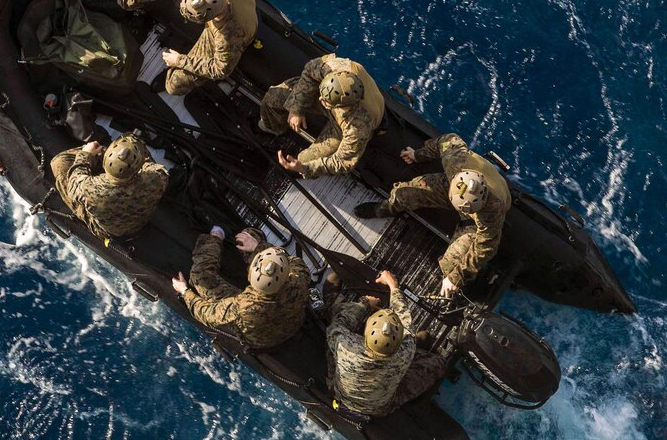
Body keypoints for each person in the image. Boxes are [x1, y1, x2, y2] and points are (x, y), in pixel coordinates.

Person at [354, 133, 512, 298]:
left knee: (449, 266)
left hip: (475, 218)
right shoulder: (455, 162)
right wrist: (417, 154)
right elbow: (447, 140)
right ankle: (385, 208)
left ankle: (470, 280)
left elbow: (486, 246)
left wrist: (455, 277)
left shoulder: (492, 211)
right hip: (454, 189)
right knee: (407, 193)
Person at [118, 0, 257, 96]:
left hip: (228, 26)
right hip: (223, 7)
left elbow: (221, 69)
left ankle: (173, 73)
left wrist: (180, 61)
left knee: (175, 85)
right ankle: (123, 5)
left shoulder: (229, 35)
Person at [325, 269, 447, 417]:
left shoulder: (344, 345)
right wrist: (393, 285)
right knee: (436, 360)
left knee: (337, 317)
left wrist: (365, 304)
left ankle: (332, 297)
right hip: (378, 408)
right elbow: (405, 321)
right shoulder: (405, 353)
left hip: (340, 393)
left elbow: (339, 323)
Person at [171, 227, 310, 349]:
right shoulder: (299, 279)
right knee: (249, 235)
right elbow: (293, 261)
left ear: (251, 276)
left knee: (200, 277)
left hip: (263, 341)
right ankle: (241, 238)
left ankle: (215, 236)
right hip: (294, 324)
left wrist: (184, 291)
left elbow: (206, 313)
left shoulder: (244, 306)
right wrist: (258, 247)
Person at [258, 54, 385, 179]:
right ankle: (274, 127)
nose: (320, 99)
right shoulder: (335, 67)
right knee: (272, 98)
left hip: (342, 125)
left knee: (305, 161)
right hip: (337, 103)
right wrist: (297, 109)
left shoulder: (358, 125)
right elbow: (310, 71)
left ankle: (298, 170)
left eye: (326, 102)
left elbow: (343, 162)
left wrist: (305, 168)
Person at [50, 135, 168, 239]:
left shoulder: (89, 189)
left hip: (106, 230)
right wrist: (134, 155)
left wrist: (86, 154)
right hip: (138, 223)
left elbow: (74, 180)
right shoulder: (156, 178)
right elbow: (153, 166)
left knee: (59, 163)